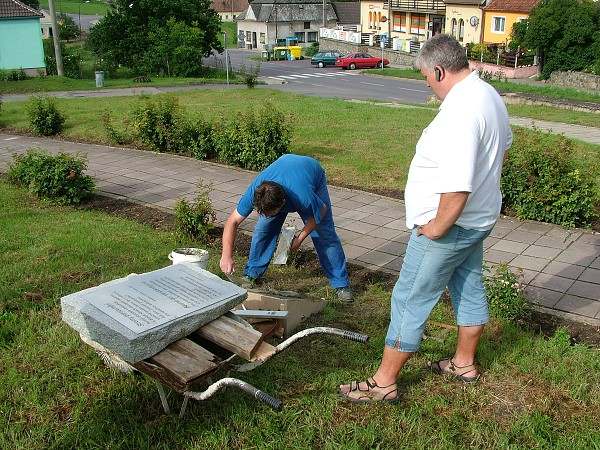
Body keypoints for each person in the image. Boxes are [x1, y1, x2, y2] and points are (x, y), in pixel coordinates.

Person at [338, 34, 513, 403]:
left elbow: (457, 187)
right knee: (468, 285)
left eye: (427, 77)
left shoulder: (460, 113)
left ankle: (384, 383)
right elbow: (502, 151)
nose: (427, 85)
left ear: (439, 69)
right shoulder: (488, 95)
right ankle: (463, 363)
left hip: (451, 227)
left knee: (409, 298)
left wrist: (436, 228)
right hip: (479, 221)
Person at [219, 154, 353, 302]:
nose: (267, 215)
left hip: (310, 171)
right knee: (264, 229)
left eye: (271, 212)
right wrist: (226, 255)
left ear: (283, 204)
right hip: (285, 165)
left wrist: (300, 238)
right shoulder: (257, 192)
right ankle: (252, 274)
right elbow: (232, 222)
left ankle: (341, 284)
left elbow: (321, 211)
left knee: (323, 234)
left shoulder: (303, 196)